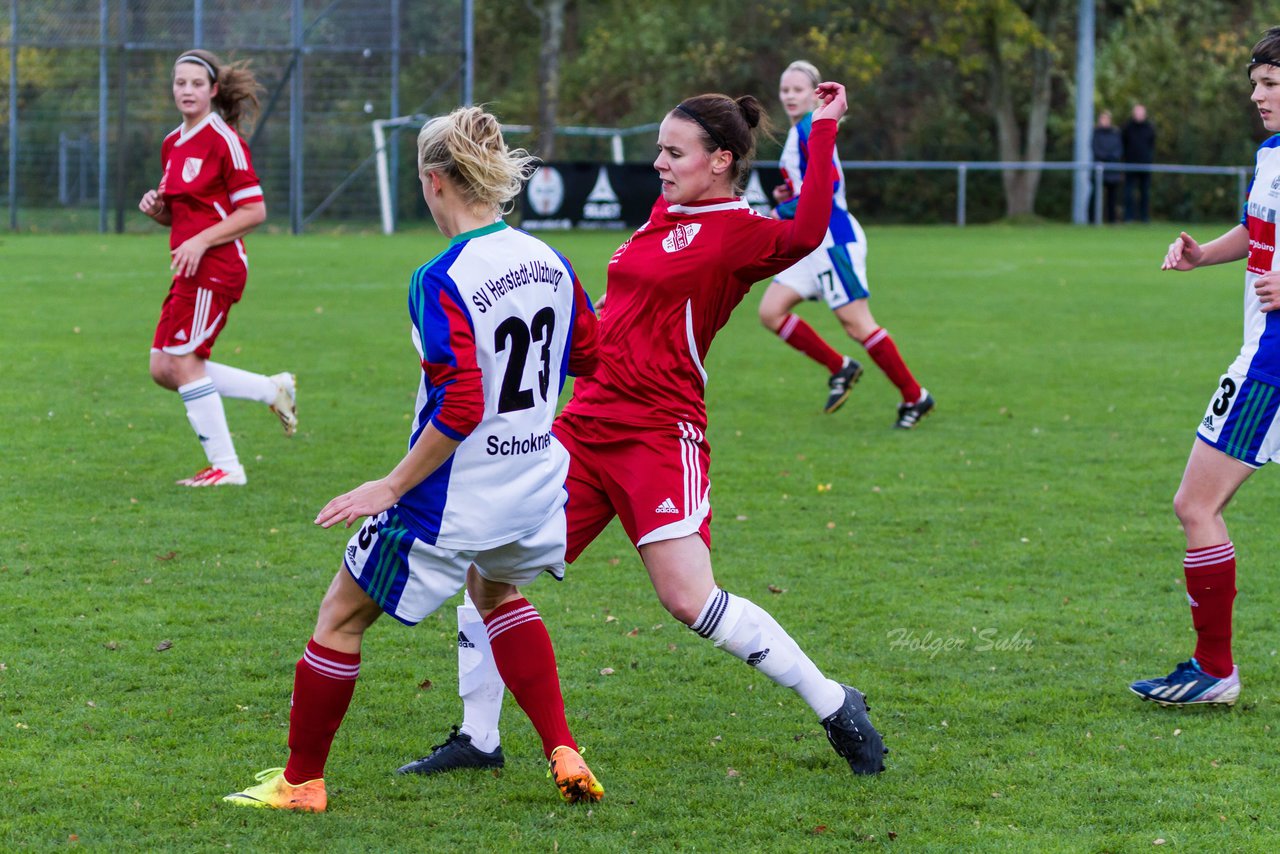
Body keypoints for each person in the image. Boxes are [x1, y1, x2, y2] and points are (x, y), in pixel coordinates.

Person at [400, 79, 888, 779]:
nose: (660, 163)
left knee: (688, 599)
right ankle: (479, 738)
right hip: (584, 423)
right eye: (659, 149)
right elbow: (616, 308)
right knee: (490, 568)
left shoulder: (742, 233)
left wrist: (825, 126)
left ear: (720, 160)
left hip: (659, 432)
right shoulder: (663, 216)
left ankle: (836, 702)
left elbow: (809, 233)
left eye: (674, 151)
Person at [222, 106, 603, 811]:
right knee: (496, 594)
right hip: (530, 484)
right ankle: (563, 747)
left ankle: (301, 782)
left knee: (339, 616)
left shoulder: (442, 275)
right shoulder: (549, 258)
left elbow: (460, 404)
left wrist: (390, 485)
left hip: (448, 496)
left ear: (434, 182)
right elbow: (587, 355)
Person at [1129, 28, 1280, 708]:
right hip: (1260, 352)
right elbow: (1258, 231)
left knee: (1196, 504)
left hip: (1271, 362)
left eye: (1271, 84)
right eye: (1257, 83)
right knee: (1197, 504)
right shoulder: (1272, 155)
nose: (1257, 95)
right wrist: (1202, 255)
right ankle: (1212, 667)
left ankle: (1215, 670)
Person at [139, 49, 296, 488]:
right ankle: (272, 390)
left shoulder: (224, 140)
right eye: (179, 83)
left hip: (218, 266)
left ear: (212, 91)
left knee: (184, 362)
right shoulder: (172, 142)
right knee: (163, 367)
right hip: (189, 264)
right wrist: (157, 211)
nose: (186, 90)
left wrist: (201, 239)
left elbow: (254, 210)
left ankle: (227, 467)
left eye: (195, 84)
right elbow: (186, 213)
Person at [756, 60, 932, 428]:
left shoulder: (810, 126)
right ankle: (841, 367)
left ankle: (915, 397)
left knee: (858, 326)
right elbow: (809, 186)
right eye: (785, 90)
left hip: (832, 238)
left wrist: (781, 209)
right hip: (811, 239)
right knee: (771, 312)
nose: (789, 96)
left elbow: (830, 187)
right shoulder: (799, 130)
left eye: (798, 89)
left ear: (816, 92)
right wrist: (789, 194)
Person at [1122, 103, 1156, 223]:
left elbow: (1152, 144)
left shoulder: (1149, 127)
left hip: (1145, 165)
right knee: (1129, 192)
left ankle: (1144, 217)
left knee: (1145, 193)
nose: (1139, 114)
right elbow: (1124, 143)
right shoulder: (1128, 127)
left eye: (1141, 112)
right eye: (1137, 112)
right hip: (1130, 165)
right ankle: (1128, 217)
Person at [1090, 110, 1123, 224]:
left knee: (1112, 196)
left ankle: (1112, 220)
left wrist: (1111, 157)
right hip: (1099, 168)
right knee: (1095, 195)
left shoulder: (1115, 133)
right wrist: (1105, 157)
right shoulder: (1096, 133)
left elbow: (1119, 150)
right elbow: (1096, 150)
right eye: (1102, 119)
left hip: (1112, 169)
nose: (1105, 121)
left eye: (1106, 119)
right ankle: (1092, 219)